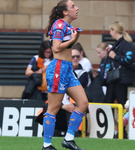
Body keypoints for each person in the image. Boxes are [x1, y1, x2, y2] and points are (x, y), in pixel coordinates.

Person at [42, 0, 89, 150]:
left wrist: (73, 39)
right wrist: (74, 39)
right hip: (58, 69)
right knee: (53, 109)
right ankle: (46, 145)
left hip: (67, 69)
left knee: (83, 103)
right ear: (65, 12)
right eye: (73, 6)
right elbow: (55, 48)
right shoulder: (60, 25)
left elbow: (62, 46)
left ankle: (68, 139)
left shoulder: (67, 26)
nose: (77, 8)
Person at [104, 21, 135, 107]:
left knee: (121, 102)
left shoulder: (126, 44)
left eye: (111, 30)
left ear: (115, 30)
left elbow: (129, 59)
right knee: (108, 103)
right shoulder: (117, 44)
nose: (110, 33)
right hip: (113, 78)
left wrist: (115, 56)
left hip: (121, 79)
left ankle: (124, 120)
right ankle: (110, 120)